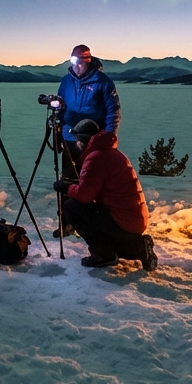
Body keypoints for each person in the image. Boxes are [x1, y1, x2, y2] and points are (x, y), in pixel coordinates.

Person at [53, 119, 157, 270]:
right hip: (133, 219)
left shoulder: (96, 157)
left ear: (85, 140)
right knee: (106, 235)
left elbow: (84, 196)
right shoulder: (111, 153)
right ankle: (139, 247)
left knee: (71, 206)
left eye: (79, 140)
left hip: (122, 221)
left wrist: (66, 188)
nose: (77, 144)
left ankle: (103, 256)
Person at [56, 44, 120, 180]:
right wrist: (57, 132)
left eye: (80, 63)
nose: (76, 67)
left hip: (92, 139)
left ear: (88, 61)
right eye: (73, 62)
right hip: (69, 136)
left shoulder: (103, 82)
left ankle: (88, 200)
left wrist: (109, 137)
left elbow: (113, 111)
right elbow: (61, 107)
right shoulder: (66, 81)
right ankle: (67, 200)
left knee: (90, 178)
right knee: (68, 176)